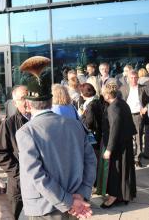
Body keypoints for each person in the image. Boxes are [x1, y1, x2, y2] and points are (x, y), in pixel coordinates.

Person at [16, 56, 97, 219]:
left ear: (28, 104)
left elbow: (36, 174)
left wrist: (69, 201)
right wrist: (80, 195)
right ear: (51, 101)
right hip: (74, 202)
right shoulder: (75, 125)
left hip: (45, 208)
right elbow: (91, 161)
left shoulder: (26, 132)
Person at [0, 85, 29, 219]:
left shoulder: (40, 120)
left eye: (28, 97)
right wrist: (19, 174)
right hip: (17, 181)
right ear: (15, 103)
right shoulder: (9, 124)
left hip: (41, 181)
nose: (26, 101)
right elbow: (2, 154)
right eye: (22, 98)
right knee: (11, 215)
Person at [100, 82, 136, 208]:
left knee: (116, 172)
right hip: (125, 143)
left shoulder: (112, 108)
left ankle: (114, 196)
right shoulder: (122, 103)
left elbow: (114, 129)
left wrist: (109, 149)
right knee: (125, 170)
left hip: (117, 145)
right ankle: (124, 195)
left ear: (107, 95)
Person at [119, 70, 149, 167]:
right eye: (132, 78)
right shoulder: (123, 88)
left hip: (138, 115)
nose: (134, 80)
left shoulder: (144, 88)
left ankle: (137, 157)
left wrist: (145, 107)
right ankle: (129, 156)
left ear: (138, 78)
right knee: (127, 137)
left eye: (135, 78)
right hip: (126, 116)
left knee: (138, 137)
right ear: (128, 79)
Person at [79, 83, 104, 152]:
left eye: (81, 92)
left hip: (93, 136)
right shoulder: (96, 101)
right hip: (97, 134)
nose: (81, 95)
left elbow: (88, 123)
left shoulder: (91, 105)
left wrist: (81, 116)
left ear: (85, 93)